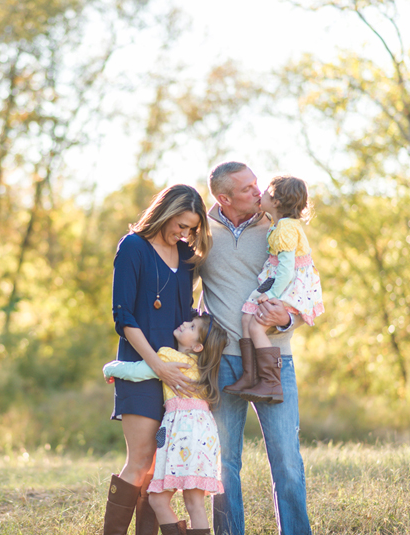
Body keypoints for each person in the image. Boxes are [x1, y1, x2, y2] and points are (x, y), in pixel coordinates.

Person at [198, 162, 312, 535]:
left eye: (256, 184)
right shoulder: (201, 232)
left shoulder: (279, 226)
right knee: (224, 463)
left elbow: (304, 288)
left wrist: (285, 320)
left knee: (287, 463)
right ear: (223, 198)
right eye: (247, 188)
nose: (257, 191)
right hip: (220, 362)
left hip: (273, 359)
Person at [104, 184, 212, 535]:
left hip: (177, 377)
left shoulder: (184, 256)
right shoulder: (133, 247)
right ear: (165, 212)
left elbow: (185, 312)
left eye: (191, 228)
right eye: (180, 225)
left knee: (156, 472)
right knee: (139, 463)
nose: (184, 234)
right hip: (142, 367)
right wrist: (157, 365)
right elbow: (124, 318)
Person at [103, 312, 228, 535]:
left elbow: (138, 372)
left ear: (198, 346)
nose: (184, 324)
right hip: (204, 437)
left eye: (191, 327)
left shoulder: (169, 357)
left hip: (182, 435)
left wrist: (111, 368)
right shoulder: (204, 369)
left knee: (159, 500)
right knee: (193, 503)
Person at [226, 175, 324, 404]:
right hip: (275, 279)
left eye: (267, 194)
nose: (261, 195)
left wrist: (271, 295)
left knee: (257, 325)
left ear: (278, 202)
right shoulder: (278, 223)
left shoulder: (287, 228)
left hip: (287, 284)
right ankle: (249, 375)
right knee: (246, 318)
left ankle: (271, 382)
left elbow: (287, 269)